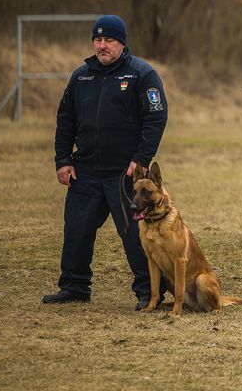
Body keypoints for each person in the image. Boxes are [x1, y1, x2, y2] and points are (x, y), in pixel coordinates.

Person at [46, 15, 169, 310]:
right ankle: (74, 286)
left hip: (123, 173)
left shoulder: (142, 74)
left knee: (134, 235)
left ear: (122, 43)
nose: (102, 46)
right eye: (97, 40)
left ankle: (148, 291)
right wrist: (63, 160)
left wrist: (139, 159)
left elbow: (156, 118)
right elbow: (65, 121)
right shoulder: (81, 77)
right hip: (85, 170)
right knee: (76, 229)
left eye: (109, 40)